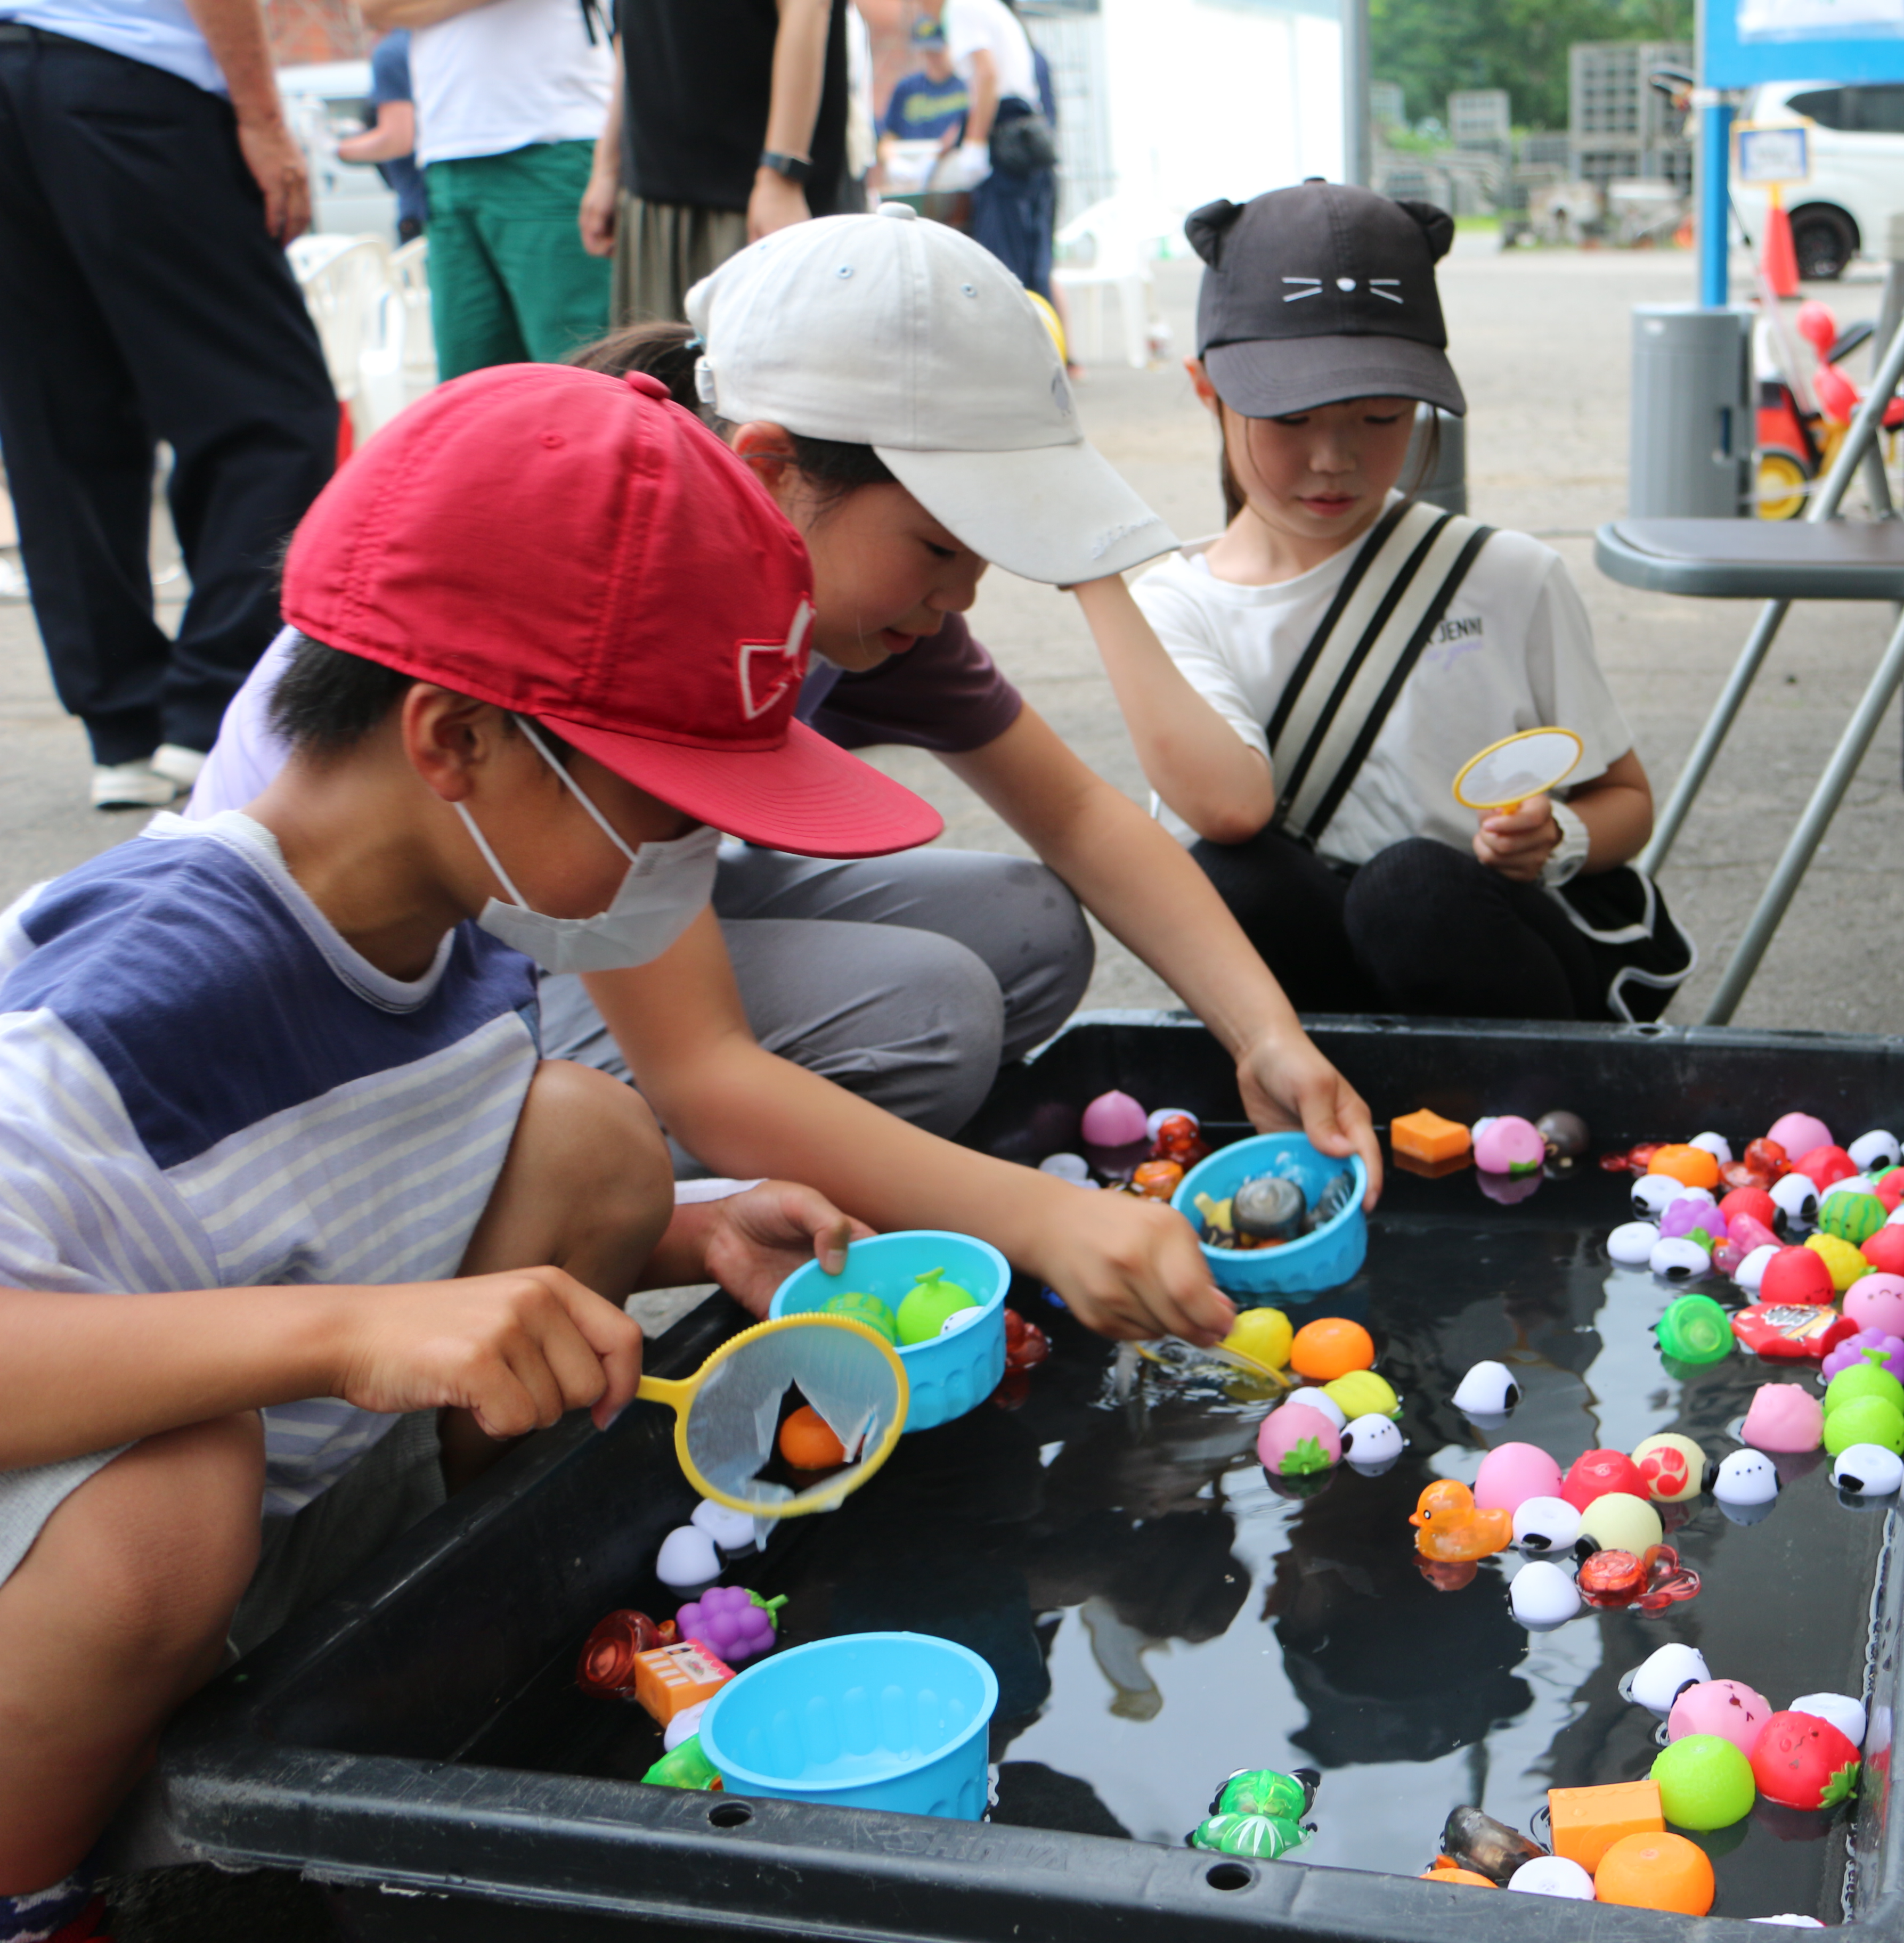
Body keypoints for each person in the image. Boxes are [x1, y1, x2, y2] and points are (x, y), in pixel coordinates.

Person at [0, 362, 905, 1942]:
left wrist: (688, 1225)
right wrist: (353, 1335)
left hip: (286, 1533)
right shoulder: (124, 1005)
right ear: (455, 741)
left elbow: (381, 1175)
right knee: (174, 1491)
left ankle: (363, 1690)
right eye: (662, 800)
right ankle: (47, 1886)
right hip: (91, 1589)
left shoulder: (465, 920)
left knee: (597, 1146)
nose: (692, 853)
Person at [190, 205, 1383, 1346]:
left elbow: (1073, 810)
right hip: (445, 968)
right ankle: (539, 1204)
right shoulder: (612, 599)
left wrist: (1264, 1034)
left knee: (1024, 926)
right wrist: (1042, 1219)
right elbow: (701, 1066)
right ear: (768, 473)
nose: (960, 595)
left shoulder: (837, 580)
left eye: (984, 555)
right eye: (936, 546)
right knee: (930, 1016)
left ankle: (823, 1162)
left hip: (598, 901)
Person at [1113, 181, 1671, 1021]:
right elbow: (1229, 812)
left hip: (1491, 969)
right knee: (1228, 877)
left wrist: (1558, 837)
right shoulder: (1175, 605)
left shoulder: (1508, 576)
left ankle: (1517, 1125)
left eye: (1380, 417)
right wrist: (1092, 576)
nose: (1334, 458)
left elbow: (1626, 800)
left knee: (1409, 891)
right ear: (1206, 390)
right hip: (1310, 994)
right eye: (1291, 417)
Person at [0, 0, 339, 812]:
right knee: (273, 413)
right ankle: (212, 710)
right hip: (130, 77)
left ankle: (124, 727)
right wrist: (261, 119)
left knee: (58, 425)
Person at [363, 0, 614, 377]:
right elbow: (373, 8)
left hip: (550, 145)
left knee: (578, 378)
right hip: (447, 157)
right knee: (472, 394)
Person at [579, 0, 852, 326]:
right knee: (656, 369)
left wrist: (781, 173)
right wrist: (608, 166)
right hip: (652, 196)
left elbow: (806, 8)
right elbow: (632, 28)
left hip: (749, 199)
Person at [947, 0, 1053, 297]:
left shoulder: (963, 7)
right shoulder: (996, 9)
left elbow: (987, 74)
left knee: (1003, 271)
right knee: (1035, 272)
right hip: (1028, 140)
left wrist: (975, 143)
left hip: (1006, 143)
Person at [338, 28, 428, 243]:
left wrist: (336, 149)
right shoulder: (428, 40)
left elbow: (397, 139)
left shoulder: (391, 53)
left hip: (422, 208)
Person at [878, 12, 969, 146]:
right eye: (926, 52)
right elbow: (890, 133)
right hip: (913, 160)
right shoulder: (906, 88)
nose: (931, 58)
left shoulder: (966, 85)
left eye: (936, 52)